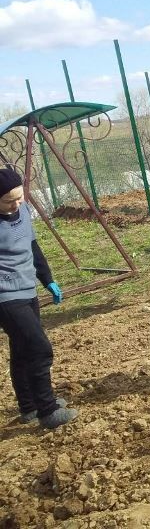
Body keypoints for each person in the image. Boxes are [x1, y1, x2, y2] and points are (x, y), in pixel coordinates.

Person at [0, 167, 78, 429]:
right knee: (38, 348)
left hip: (27, 288)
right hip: (5, 297)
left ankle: (29, 407)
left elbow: (32, 246)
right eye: (8, 200)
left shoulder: (22, 211)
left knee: (22, 350)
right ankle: (48, 410)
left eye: (19, 197)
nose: (16, 204)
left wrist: (48, 279)